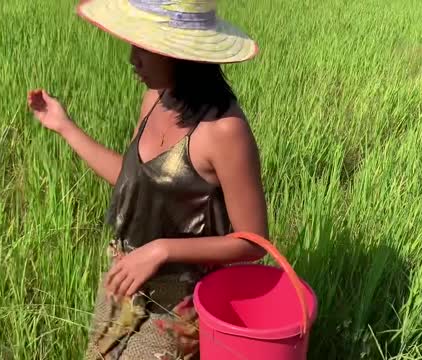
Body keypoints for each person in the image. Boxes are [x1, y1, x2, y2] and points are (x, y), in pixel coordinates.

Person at [27, 0, 268, 358]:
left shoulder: (224, 131)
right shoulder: (156, 99)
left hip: (177, 304)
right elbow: (132, 183)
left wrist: (162, 249)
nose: (132, 59)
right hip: (125, 276)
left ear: (180, 53)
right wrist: (64, 126)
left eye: (145, 47)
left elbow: (253, 242)